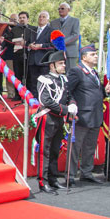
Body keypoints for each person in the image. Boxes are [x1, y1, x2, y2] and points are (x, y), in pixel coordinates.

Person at [67, 44, 110, 185]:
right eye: (93, 54)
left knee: (90, 147)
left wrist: (105, 91)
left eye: (95, 54)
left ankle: (86, 172)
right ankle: (70, 175)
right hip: (81, 116)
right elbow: (68, 91)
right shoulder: (76, 71)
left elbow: (95, 93)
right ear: (84, 57)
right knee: (75, 148)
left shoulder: (94, 73)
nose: (96, 56)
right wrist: (72, 104)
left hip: (95, 115)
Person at [34, 50, 76, 194]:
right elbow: (45, 100)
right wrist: (65, 109)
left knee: (54, 150)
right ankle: (42, 181)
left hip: (59, 119)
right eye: (61, 63)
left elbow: (69, 95)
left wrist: (73, 104)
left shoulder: (64, 79)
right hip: (48, 118)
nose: (64, 66)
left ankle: (53, 179)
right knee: (45, 151)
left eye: (64, 63)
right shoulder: (44, 79)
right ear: (52, 66)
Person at [26, 11, 54, 98]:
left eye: (44, 17)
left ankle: (44, 99)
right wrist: (29, 46)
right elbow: (27, 42)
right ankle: (34, 99)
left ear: (48, 19)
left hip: (43, 61)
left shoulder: (51, 31)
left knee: (44, 82)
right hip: (32, 60)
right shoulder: (32, 30)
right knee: (33, 81)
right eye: (40, 17)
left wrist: (41, 46)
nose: (41, 18)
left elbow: (53, 46)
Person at [10, 11, 34, 101]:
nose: (22, 19)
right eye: (20, 18)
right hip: (17, 55)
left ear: (27, 19)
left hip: (28, 55)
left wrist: (26, 42)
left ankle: (28, 94)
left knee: (28, 75)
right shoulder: (14, 29)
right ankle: (18, 94)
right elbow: (8, 39)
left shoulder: (32, 29)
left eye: (24, 18)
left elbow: (34, 40)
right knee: (17, 76)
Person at [50, 2, 80, 70]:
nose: (60, 10)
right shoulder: (53, 22)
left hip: (70, 52)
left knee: (70, 73)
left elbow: (75, 35)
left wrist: (62, 43)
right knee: (57, 71)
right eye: (59, 9)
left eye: (62, 8)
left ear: (68, 10)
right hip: (57, 52)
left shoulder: (75, 21)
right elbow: (51, 36)